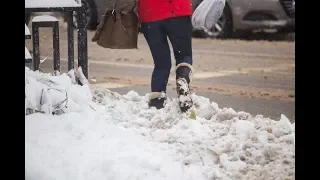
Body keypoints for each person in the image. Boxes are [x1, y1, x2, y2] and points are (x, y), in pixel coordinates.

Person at [138, 0, 194, 112]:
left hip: (149, 14)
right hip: (177, 10)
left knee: (161, 64)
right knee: (183, 55)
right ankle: (182, 80)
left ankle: (156, 103)